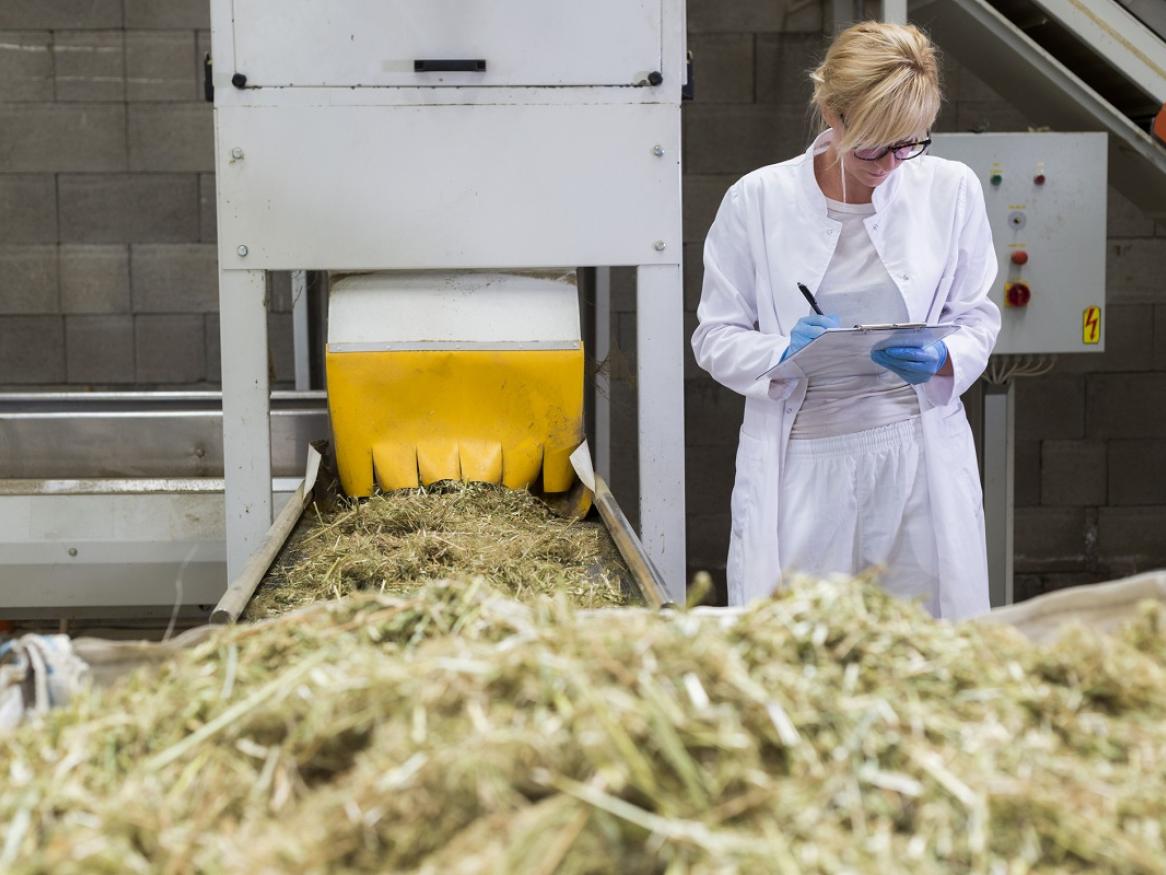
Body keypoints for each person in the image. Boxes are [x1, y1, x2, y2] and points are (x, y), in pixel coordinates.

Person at [691, 21, 999, 619]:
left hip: (918, 454)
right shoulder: (758, 200)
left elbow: (976, 317)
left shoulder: (950, 190)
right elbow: (714, 335)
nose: (889, 164)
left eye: (909, 144)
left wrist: (946, 356)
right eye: (872, 146)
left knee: (926, 640)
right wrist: (779, 352)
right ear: (831, 113)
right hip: (806, 461)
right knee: (803, 646)